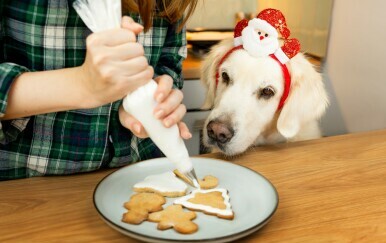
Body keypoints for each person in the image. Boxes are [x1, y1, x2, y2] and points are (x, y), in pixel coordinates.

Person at [0, 0, 198, 180]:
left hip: (139, 175)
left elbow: (169, 64)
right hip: (27, 187)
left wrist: (148, 100)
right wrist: (82, 86)